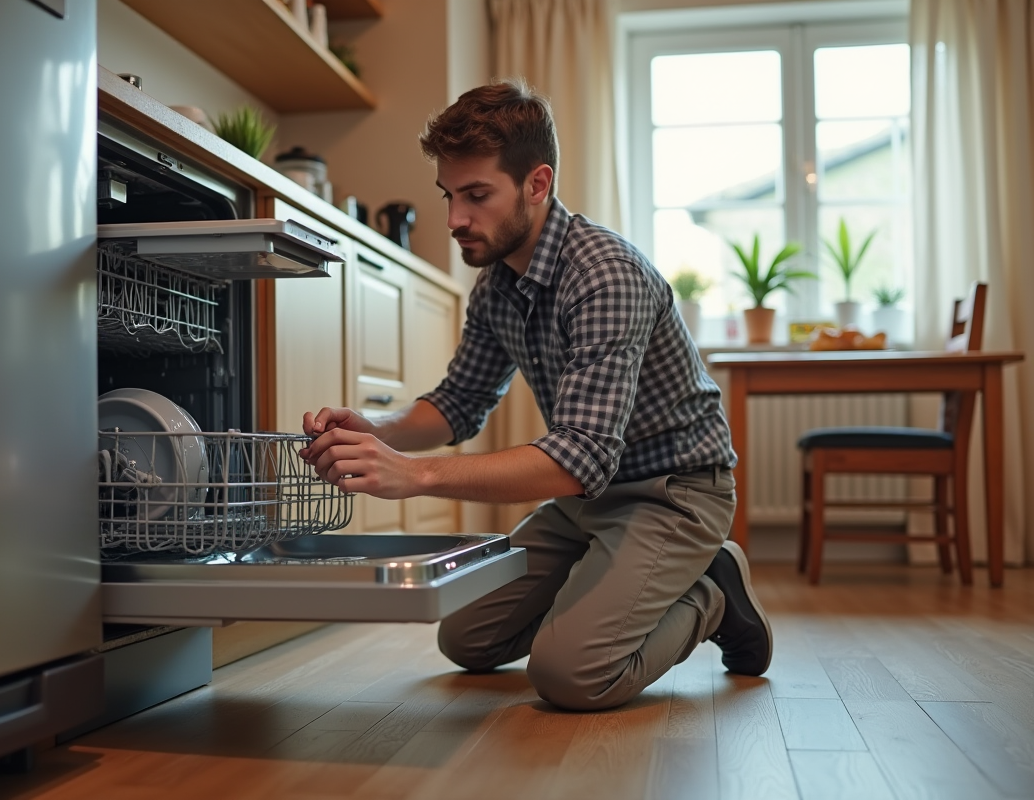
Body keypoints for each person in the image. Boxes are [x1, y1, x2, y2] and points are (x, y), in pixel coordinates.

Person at [300, 79, 771, 712]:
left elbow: (579, 456)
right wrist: (375, 428)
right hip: (588, 500)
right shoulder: (497, 284)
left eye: (476, 195)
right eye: (448, 195)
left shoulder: (604, 274)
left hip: (674, 490)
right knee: (465, 638)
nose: (454, 219)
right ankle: (613, 582)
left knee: (570, 674)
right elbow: (458, 402)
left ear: (537, 184)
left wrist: (414, 475)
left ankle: (712, 593)